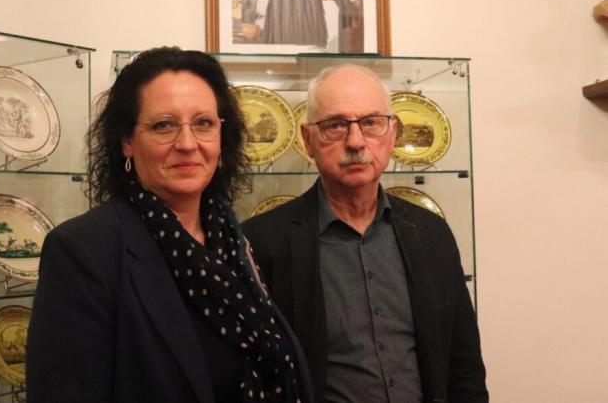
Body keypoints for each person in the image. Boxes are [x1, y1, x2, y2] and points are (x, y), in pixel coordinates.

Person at [27, 47, 313, 403]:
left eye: (204, 123)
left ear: (223, 135)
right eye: (164, 125)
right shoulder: (84, 250)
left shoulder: (233, 239)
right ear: (127, 141)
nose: (188, 143)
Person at [242, 64, 488, 403]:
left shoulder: (431, 233)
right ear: (307, 139)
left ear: (392, 133)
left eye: (371, 123)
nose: (356, 141)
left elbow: (464, 368)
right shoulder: (261, 243)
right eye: (335, 125)